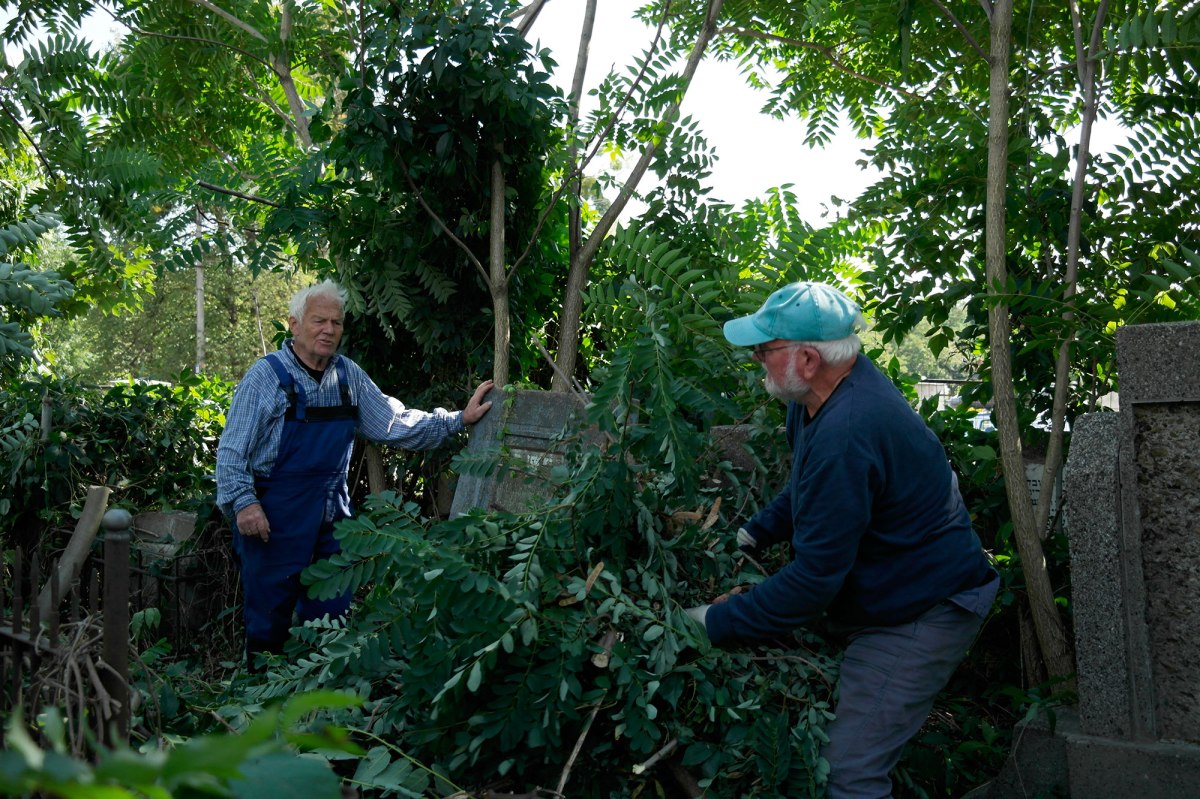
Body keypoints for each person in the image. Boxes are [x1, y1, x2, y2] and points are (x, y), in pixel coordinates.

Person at [685, 281, 997, 799]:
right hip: (883, 591)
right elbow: (809, 488)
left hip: (923, 609)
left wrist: (712, 621)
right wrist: (754, 531)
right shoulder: (812, 400)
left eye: (765, 350)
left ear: (807, 359)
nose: (757, 359)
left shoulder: (849, 430)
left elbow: (813, 583)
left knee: (846, 774)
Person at [216, 279, 494, 667]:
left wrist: (456, 420)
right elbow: (231, 452)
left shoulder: (347, 376)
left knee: (330, 615)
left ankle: (320, 702)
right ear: (294, 324)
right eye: (319, 321)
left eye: (337, 322)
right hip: (274, 517)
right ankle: (260, 703)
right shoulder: (266, 377)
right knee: (269, 619)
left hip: (332, 516)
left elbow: (394, 423)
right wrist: (244, 502)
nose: (329, 330)